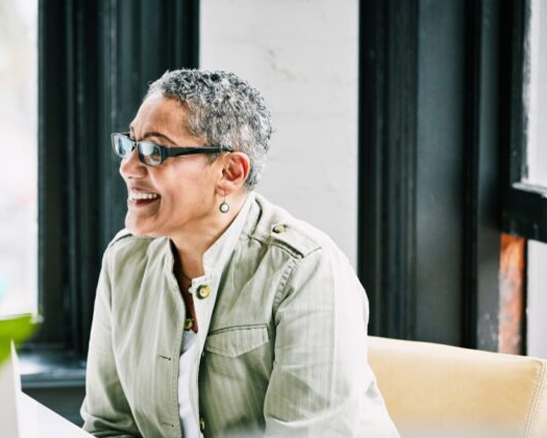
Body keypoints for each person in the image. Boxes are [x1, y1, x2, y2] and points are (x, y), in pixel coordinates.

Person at [80, 69, 399, 437]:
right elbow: (109, 427)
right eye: (129, 144)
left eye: (154, 151)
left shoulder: (308, 272)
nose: (127, 167)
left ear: (230, 172)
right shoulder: (124, 261)